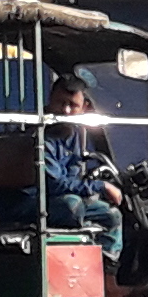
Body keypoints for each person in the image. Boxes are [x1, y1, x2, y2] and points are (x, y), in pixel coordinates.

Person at [43, 73, 125, 259]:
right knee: (72, 205)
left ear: (84, 108)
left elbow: (72, 174)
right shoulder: (41, 135)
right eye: (60, 103)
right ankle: (71, 262)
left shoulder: (76, 132)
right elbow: (52, 184)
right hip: (27, 202)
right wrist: (100, 187)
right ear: (49, 102)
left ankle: (107, 276)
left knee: (112, 215)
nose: (66, 110)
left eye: (73, 106)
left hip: (55, 200)